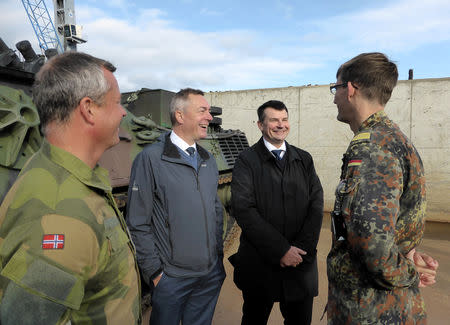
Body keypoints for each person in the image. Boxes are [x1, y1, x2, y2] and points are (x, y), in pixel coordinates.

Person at [0, 52, 141, 324]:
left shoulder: (58, 174)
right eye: (117, 103)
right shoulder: (61, 216)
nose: (123, 112)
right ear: (88, 109)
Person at [327, 52, 439, 324]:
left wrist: (409, 270)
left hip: (372, 309)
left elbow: (373, 243)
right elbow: (395, 221)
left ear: (351, 89)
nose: (334, 98)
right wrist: (408, 252)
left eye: (336, 88)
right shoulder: (392, 138)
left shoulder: (372, 147)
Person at [126, 88, 225, 325]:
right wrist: (156, 274)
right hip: (172, 278)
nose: (209, 117)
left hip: (209, 274)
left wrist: (217, 260)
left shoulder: (207, 159)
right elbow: (138, 221)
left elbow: (216, 209)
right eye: (202, 111)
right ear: (180, 116)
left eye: (209, 111)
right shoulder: (150, 158)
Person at [229, 100, 324, 325]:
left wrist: (300, 249)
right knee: (254, 319)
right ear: (261, 125)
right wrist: (281, 250)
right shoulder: (246, 161)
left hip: (300, 264)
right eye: (274, 120)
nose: (281, 125)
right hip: (261, 264)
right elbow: (244, 209)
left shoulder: (303, 159)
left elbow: (316, 204)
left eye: (284, 119)